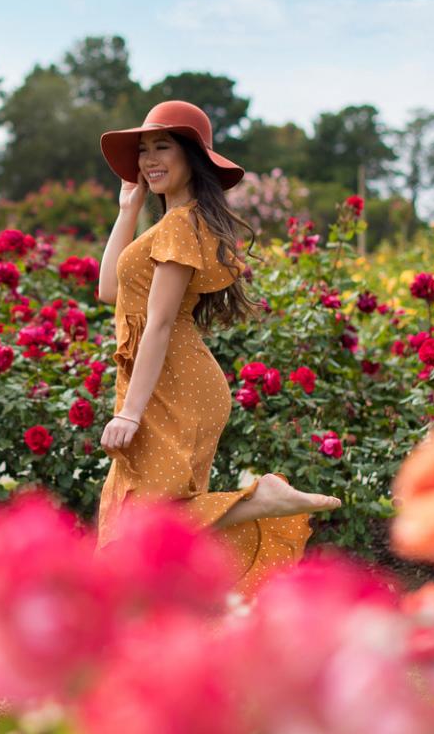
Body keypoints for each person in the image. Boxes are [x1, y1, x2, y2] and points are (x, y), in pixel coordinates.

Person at [95, 100, 341, 594]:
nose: (148, 160)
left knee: (148, 524)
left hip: (174, 388)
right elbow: (107, 291)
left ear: (192, 157)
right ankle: (158, 634)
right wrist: (128, 210)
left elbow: (160, 324)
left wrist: (129, 413)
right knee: (138, 524)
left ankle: (257, 500)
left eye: (161, 147)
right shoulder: (168, 225)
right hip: (165, 384)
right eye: (143, 151)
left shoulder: (183, 226)